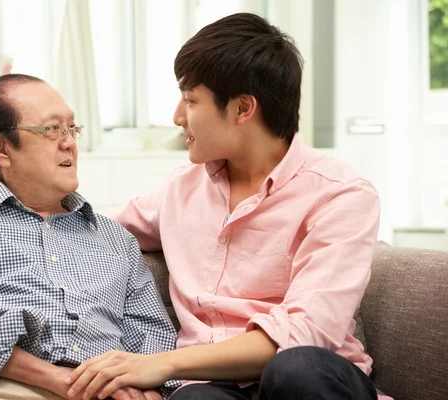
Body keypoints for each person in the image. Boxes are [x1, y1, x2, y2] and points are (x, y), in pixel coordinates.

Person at [62, 13, 385, 400]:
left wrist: (162, 363)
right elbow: (91, 230)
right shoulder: (181, 189)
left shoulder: (341, 196)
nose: (178, 117)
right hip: (211, 387)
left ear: (242, 109)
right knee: (194, 399)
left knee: (295, 368)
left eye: (190, 100)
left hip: (311, 382)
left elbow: (305, 334)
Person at [0, 73, 179, 400]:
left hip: (109, 390)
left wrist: (150, 389)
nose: (69, 142)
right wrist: (68, 383)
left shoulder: (115, 238)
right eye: (52, 129)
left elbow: (151, 332)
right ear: (0, 147)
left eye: (72, 128)